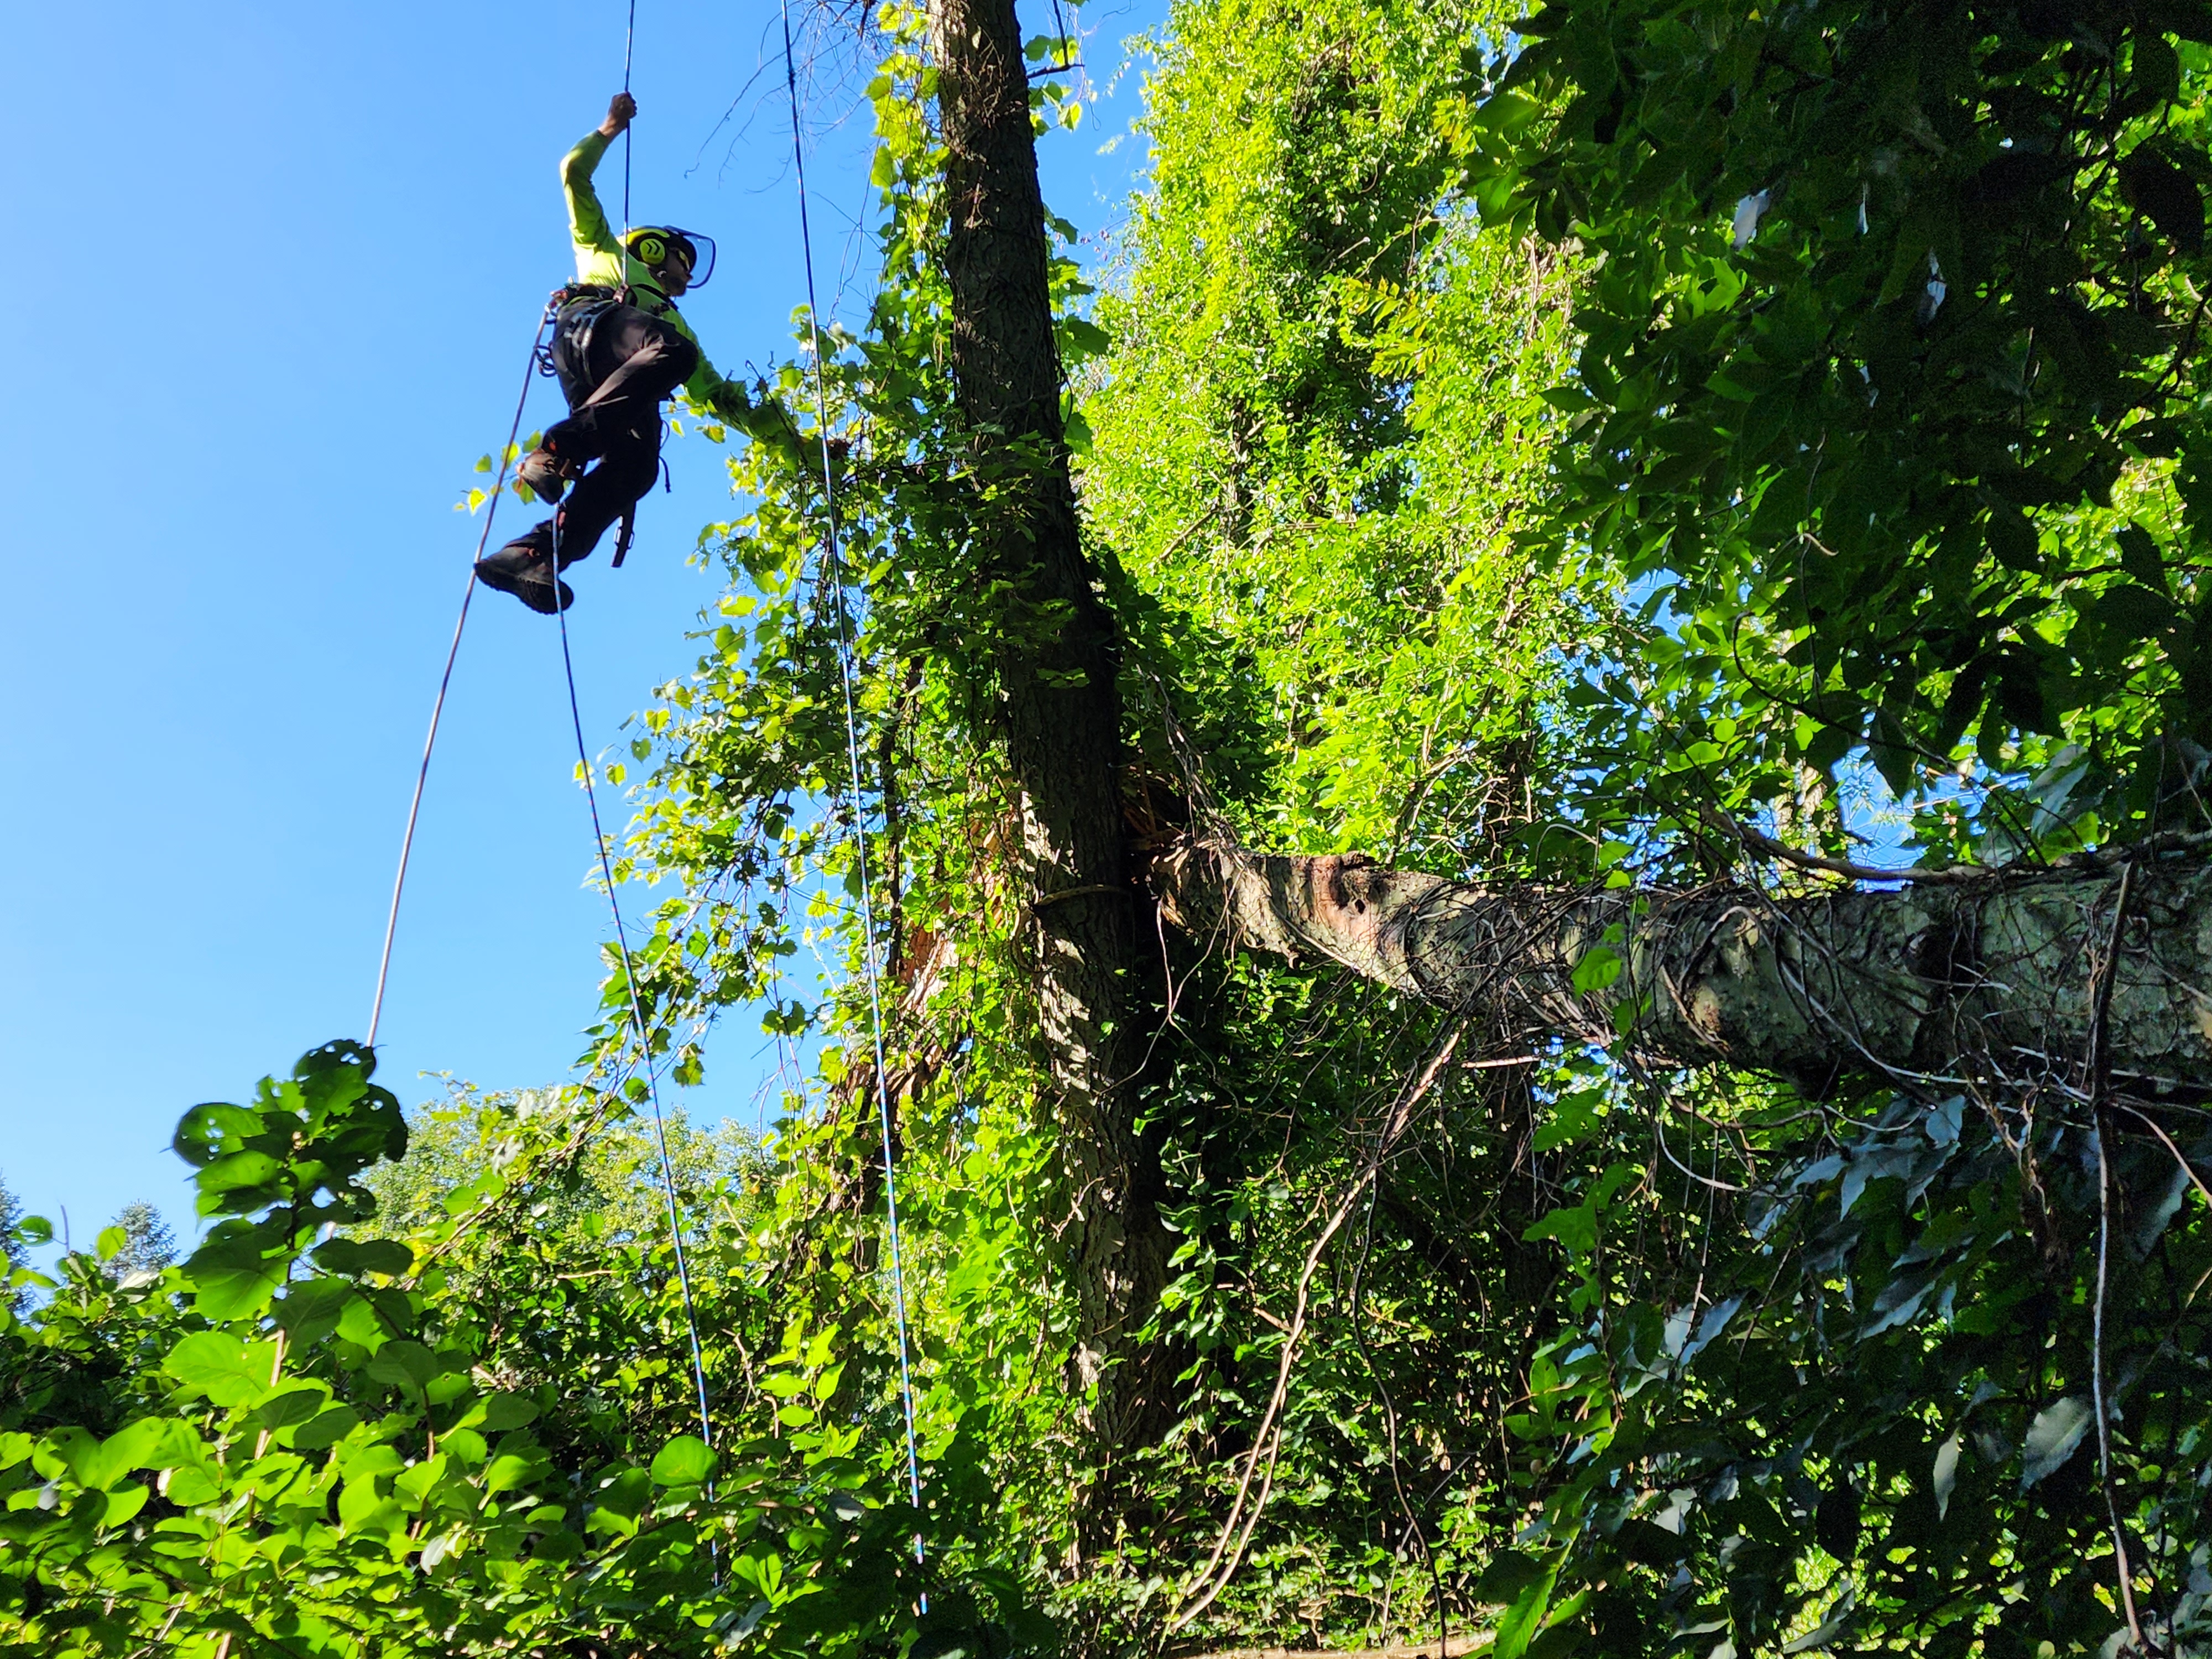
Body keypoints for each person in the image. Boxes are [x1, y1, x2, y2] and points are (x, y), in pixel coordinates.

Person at [476, 92, 753, 613]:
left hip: (616, 376)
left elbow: (718, 398)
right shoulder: (602, 250)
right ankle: (559, 450)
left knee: (638, 466)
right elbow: (573, 173)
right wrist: (609, 128)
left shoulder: (673, 322)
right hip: (594, 329)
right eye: (681, 259)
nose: (685, 275)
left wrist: (801, 446)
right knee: (674, 352)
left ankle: (535, 554)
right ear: (650, 247)